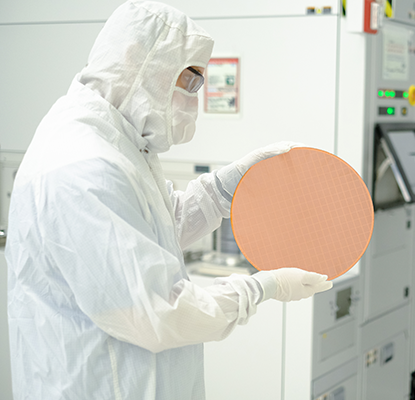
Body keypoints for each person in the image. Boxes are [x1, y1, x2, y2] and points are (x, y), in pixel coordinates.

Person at [5, 1, 332, 399]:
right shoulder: (84, 166)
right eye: (190, 82)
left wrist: (225, 187)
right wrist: (264, 287)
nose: (195, 98)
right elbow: (159, 313)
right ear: (137, 61)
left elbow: (153, 227)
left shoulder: (116, 140)